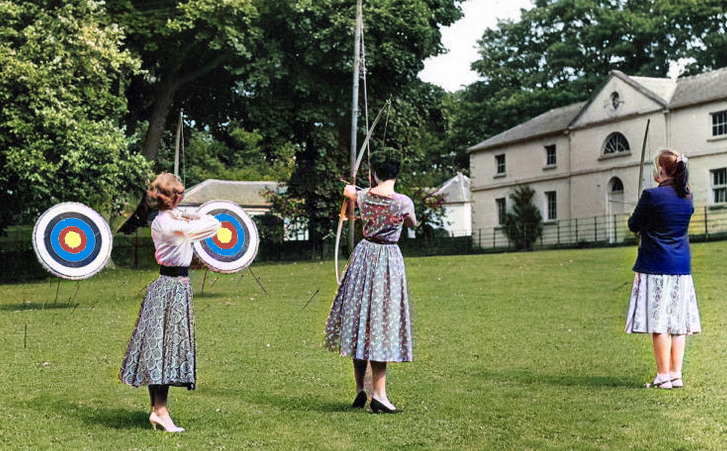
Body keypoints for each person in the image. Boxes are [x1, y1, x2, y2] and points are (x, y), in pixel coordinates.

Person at [120, 173, 221, 431]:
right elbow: (214, 225)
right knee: (164, 350)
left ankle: (158, 410)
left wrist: (183, 215)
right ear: (172, 198)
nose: (181, 197)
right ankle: (160, 411)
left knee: (161, 349)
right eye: (178, 194)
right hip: (172, 288)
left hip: (168, 286)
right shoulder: (171, 225)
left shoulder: (163, 220)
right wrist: (192, 216)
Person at [324, 148, 417, 413]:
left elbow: (351, 193)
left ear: (375, 175)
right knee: (380, 326)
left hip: (364, 257)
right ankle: (379, 396)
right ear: (396, 175)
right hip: (387, 260)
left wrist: (352, 190)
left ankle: (360, 388)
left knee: (360, 323)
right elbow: (412, 223)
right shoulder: (403, 201)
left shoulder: (364, 196)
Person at [625, 148, 701, 389]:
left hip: (656, 265)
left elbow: (633, 225)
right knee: (678, 324)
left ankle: (662, 376)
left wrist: (648, 197)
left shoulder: (651, 196)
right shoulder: (687, 197)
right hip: (680, 267)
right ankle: (675, 375)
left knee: (660, 324)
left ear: (662, 170)